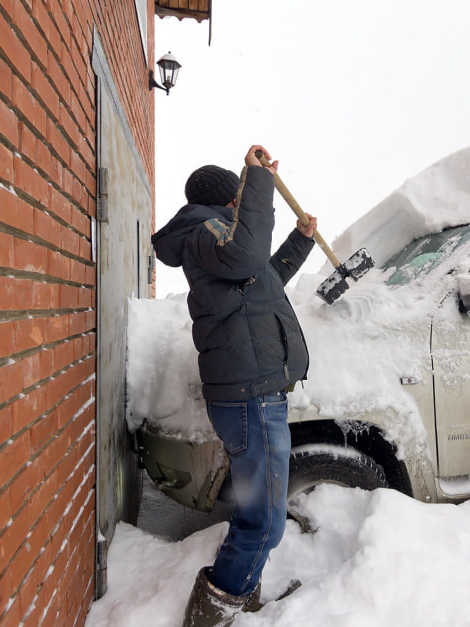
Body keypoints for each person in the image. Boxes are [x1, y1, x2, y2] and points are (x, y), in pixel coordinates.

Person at [151, 145, 316, 627]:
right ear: (229, 201)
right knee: (264, 522)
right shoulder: (208, 233)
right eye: (240, 199)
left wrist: (300, 240)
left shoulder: (220, 240)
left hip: (257, 393)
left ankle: (239, 596)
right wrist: (257, 182)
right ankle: (214, 613)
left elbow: (265, 277)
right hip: (251, 398)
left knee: (258, 514)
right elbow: (247, 255)